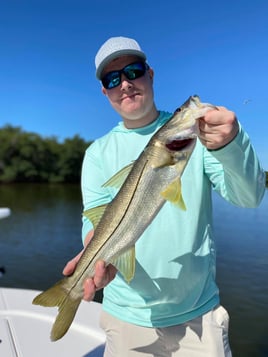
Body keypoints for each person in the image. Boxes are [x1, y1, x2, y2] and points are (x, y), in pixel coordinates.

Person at [63, 36, 265, 356]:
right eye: (112, 78)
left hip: (199, 316)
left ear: (150, 74)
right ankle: (67, 294)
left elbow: (250, 197)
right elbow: (96, 219)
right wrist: (97, 256)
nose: (125, 84)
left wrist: (231, 144)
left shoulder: (201, 138)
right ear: (105, 91)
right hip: (125, 316)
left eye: (134, 71)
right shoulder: (97, 153)